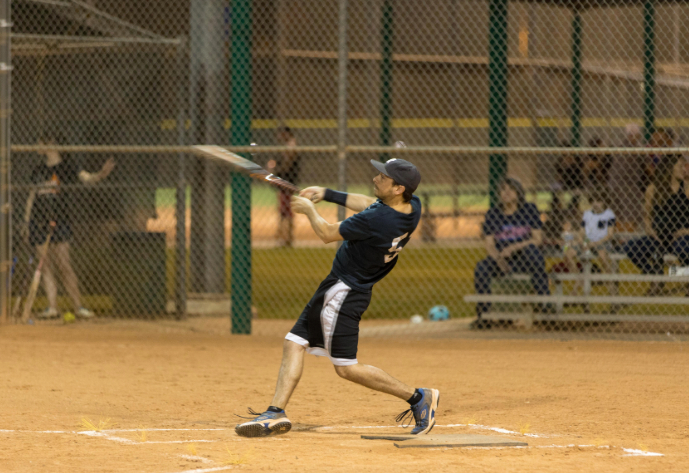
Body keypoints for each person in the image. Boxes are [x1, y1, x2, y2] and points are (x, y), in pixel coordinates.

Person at [234, 158, 439, 438]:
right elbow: (369, 201)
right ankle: (275, 411)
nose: (376, 177)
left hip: (344, 292)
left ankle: (417, 398)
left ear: (398, 188)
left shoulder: (378, 221)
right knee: (294, 342)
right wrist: (328, 194)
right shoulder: (411, 206)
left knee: (347, 368)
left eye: (383, 176)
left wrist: (308, 210)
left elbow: (328, 233)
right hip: (340, 287)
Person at [22, 138, 116, 319]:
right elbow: (32, 197)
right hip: (39, 222)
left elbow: (86, 178)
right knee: (46, 266)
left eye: (41, 142)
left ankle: (78, 306)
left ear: (51, 143)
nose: (37, 146)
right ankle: (52, 307)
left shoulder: (67, 167)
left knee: (64, 264)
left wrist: (101, 175)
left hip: (60, 221)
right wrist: (27, 222)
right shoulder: (38, 170)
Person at [473, 178, 550, 328]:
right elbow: (489, 244)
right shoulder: (493, 213)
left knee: (532, 252)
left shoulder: (529, 210)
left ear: (518, 193)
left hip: (524, 258)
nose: (506, 193)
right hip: (502, 259)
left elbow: (537, 239)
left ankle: (545, 306)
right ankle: (484, 315)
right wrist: (498, 259)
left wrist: (514, 247)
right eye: (503, 190)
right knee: (481, 268)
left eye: (511, 189)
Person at [624, 155, 689, 297]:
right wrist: (649, 229)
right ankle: (656, 277)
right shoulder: (653, 189)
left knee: (682, 247)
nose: (684, 170)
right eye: (680, 166)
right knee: (631, 248)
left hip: (684, 235)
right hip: (660, 237)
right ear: (669, 169)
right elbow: (647, 216)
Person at [564, 192, 618, 300]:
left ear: (604, 202)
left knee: (602, 256)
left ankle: (611, 286)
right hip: (588, 241)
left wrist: (595, 243)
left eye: (599, 201)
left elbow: (610, 234)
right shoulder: (587, 214)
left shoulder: (609, 214)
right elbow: (581, 231)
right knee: (568, 254)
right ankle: (578, 280)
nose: (596, 204)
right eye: (593, 201)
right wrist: (582, 241)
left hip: (602, 241)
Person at [273, 127, 299, 247]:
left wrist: (275, 173)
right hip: (286, 182)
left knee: (286, 211)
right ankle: (284, 235)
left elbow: (287, 166)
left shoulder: (291, 145)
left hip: (287, 182)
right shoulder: (287, 145)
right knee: (284, 210)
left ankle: (287, 237)